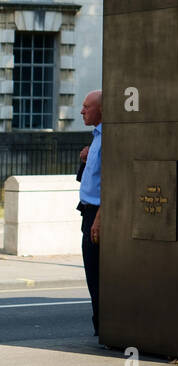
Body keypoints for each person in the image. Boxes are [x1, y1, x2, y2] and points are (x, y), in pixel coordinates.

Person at [78, 90, 102, 336]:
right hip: (88, 212)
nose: (82, 111)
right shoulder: (96, 137)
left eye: (87, 106)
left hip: (97, 213)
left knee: (96, 273)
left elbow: (112, 180)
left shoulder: (107, 138)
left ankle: (105, 327)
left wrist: (100, 217)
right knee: (91, 272)